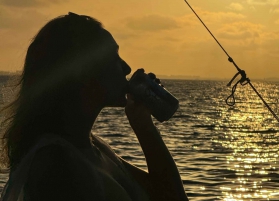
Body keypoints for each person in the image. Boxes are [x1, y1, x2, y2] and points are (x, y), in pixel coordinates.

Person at [0, 12, 189, 201]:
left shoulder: (91, 145)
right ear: (82, 70)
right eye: (113, 57)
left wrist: (143, 125)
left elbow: (168, 196)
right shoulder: (57, 165)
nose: (127, 68)